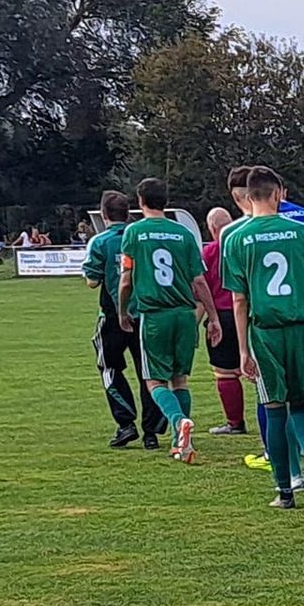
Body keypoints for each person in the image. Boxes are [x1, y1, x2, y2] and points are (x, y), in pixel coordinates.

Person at [224, 166, 304, 508]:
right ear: (278, 194)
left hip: (266, 331)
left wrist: (244, 349)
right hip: (302, 329)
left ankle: (285, 491)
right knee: (301, 404)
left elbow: (239, 299)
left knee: (274, 409)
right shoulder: (303, 233)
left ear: (248, 197)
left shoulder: (236, 238)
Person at [118, 188, 222, 464]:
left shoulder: (134, 233)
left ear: (141, 202)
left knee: (154, 380)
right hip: (185, 315)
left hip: (154, 316)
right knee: (180, 379)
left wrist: (122, 312)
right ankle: (181, 444)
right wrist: (212, 317)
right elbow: (199, 281)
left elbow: (126, 279)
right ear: (166, 203)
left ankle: (178, 422)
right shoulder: (184, 234)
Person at [83, 192, 165, 449]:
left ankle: (125, 423)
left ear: (104, 214)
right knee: (148, 372)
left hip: (113, 316)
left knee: (109, 368)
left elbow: (92, 281)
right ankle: (151, 430)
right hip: (146, 313)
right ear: (129, 212)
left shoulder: (100, 242)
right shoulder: (141, 237)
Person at [202, 206, 248, 435]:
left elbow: (202, 290)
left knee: (225, 372)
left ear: (211, 228)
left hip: (222, 316)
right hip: (250, 313)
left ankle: (235, 423)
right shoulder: (244, 244)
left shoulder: (209, 253)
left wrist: (205, 320)